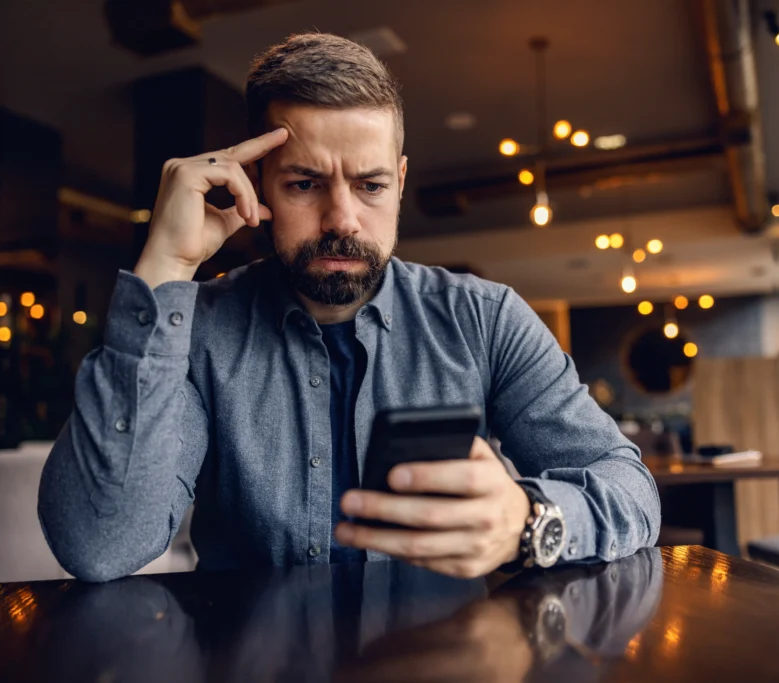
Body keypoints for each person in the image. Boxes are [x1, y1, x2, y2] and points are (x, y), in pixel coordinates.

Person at [37, 32, 660, 582]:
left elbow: (632, 491)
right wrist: (166, 269)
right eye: (305, 184)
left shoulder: (486, 319)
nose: (342, 219)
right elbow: (99, 545)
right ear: (258, 189)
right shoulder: (199, 329)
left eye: (370, 185)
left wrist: (528, 520)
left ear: (402, 179)